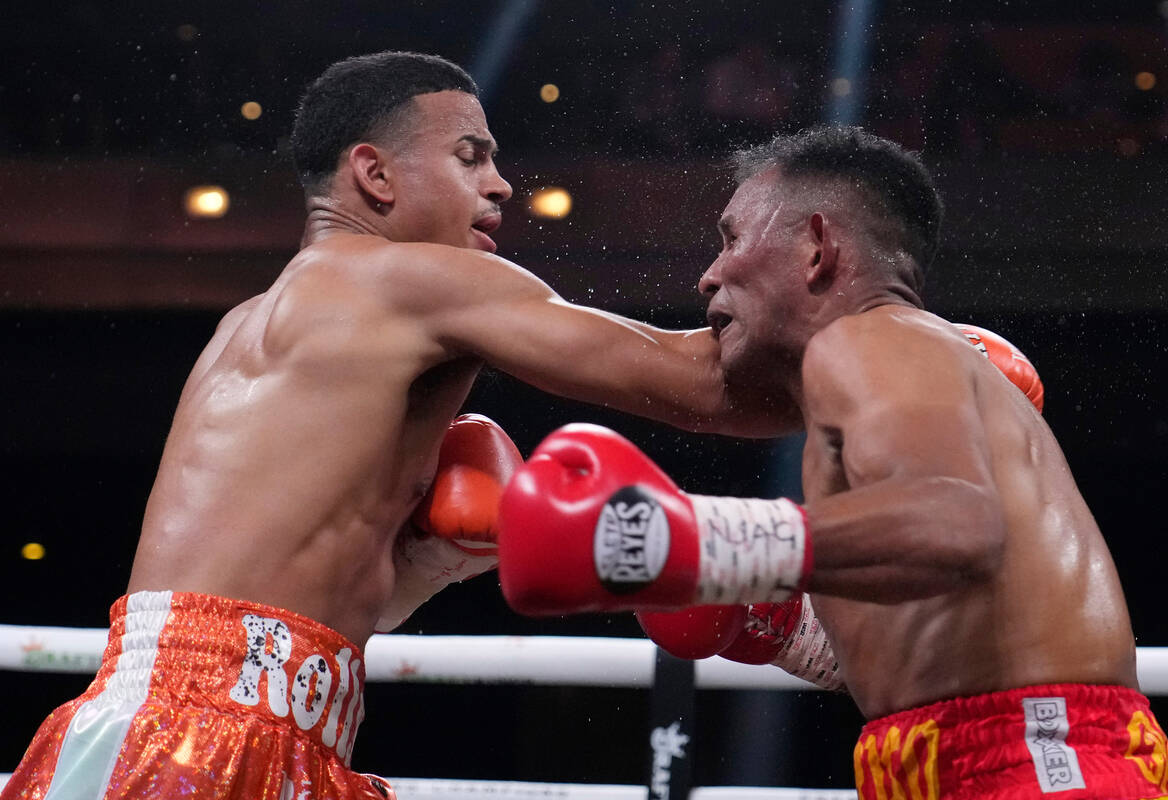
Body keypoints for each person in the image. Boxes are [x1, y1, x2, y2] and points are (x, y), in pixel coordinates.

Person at [0, 51, 798, 800]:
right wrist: (875, 352)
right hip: (206, 739)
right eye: (469, 156)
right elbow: (707, 385)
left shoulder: (245, 325)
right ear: (374, 174)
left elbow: (303, 588)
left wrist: (426, 560)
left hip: (172, 718)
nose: (502, 185)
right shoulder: (418, 283)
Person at [497, 125, 1168, 798]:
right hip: (956, 753)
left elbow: (955, 524)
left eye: (732, 238)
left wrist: (685, 538)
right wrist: (801, 635)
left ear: (818, 246)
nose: (708, 275)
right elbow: (960, 623)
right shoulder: (881, 370)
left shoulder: (867, 337)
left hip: (1037, 760)